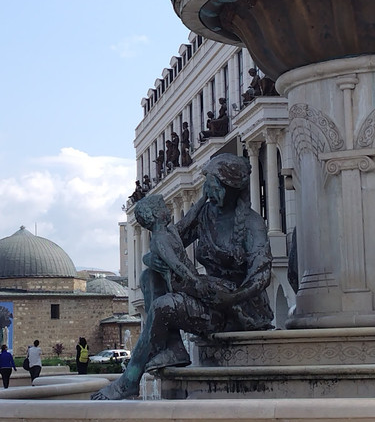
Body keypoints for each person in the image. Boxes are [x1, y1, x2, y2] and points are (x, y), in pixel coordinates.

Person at [94, 155, 273, 401]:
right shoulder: (205, 213)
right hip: (208, 295)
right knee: (149, 276)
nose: (208, 188)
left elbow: (262, 274)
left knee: (163, 306)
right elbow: (167, 242)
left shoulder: (252, 224)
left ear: (230, 187)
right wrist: (151, 260)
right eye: (208, 181)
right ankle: (173, 348)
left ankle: (130, 379)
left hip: (238, 310)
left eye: (213, 183)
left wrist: (233, 297)